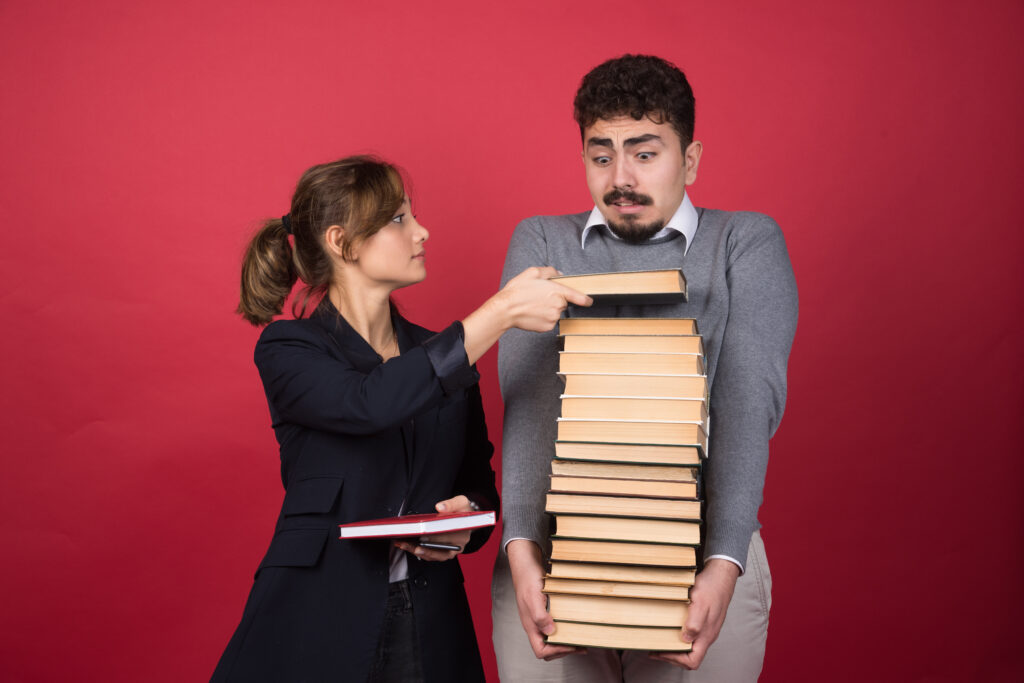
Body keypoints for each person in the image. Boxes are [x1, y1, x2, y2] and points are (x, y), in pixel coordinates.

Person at [212, 155, 590, 682]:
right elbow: (368, 403)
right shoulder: (289, 347)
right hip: (314, 616)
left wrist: (465, 523)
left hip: (430, 619)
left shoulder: (445, 355)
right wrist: (499, 313)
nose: (421, 231)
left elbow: (479, 486)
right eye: (397, 220)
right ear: (342, 243)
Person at [491, 54, 799, 681]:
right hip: (556, 556)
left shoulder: (745, 241)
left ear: (690, 160)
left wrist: (721, 562)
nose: (621, 177)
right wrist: (522, 549)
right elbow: (527, 404)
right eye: (601, 155)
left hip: (702, 557)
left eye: (645, 153)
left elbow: (745, 404)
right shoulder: (542, 239)